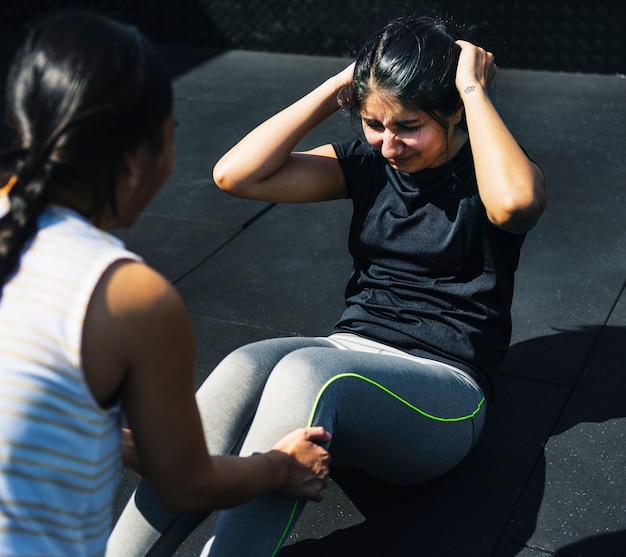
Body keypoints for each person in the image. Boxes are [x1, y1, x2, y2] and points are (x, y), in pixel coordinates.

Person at [108, 15, 546, 556]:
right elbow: (235, 176)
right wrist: (341, 87)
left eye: (409, 126)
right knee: (246, 363)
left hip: (443, 394)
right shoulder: (367, 165)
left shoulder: (493, 172)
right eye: (373, 123)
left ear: (455, 110)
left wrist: (474, 87)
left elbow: (517, 206)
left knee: (307, 372)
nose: (389, 144)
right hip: (350, 361)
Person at [0, 10, 332, 557]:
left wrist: (120, 441)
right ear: (134, 161)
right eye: (171, 137)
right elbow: (188, 485)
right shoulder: (129, 297)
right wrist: (278, 467)